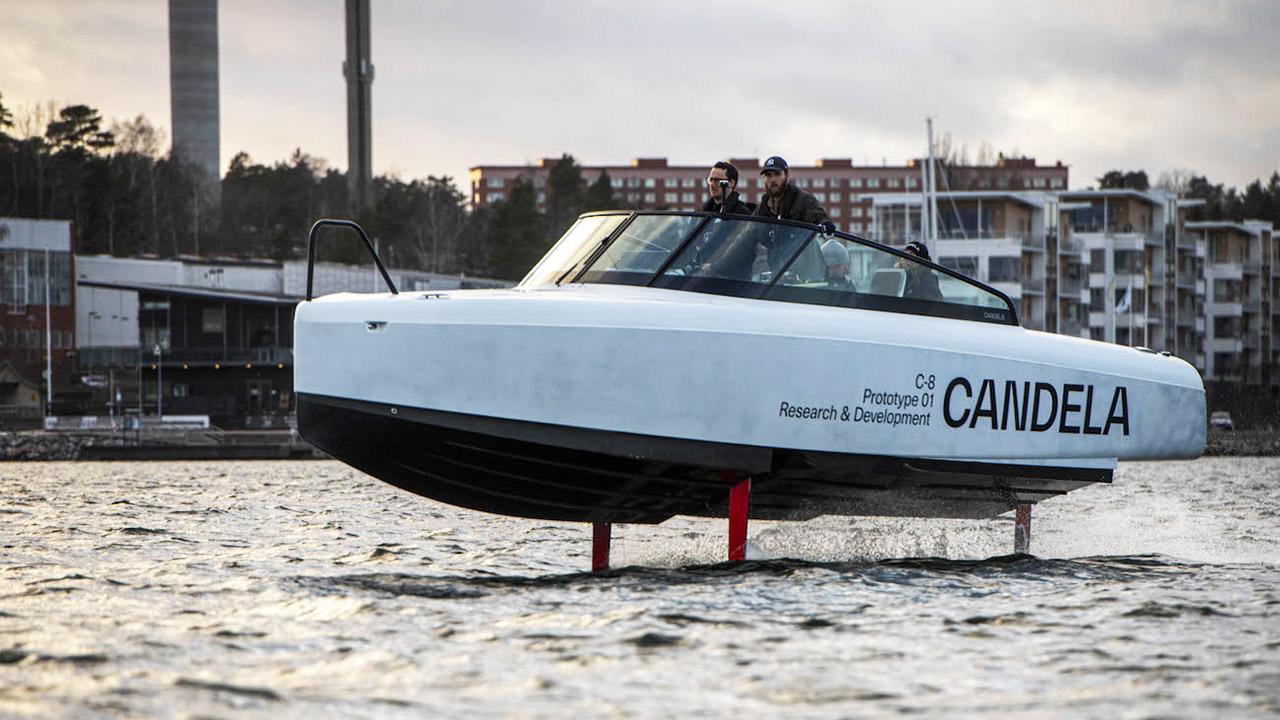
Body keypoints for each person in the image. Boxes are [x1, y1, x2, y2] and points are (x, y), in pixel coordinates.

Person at [753, 156, 835, 233]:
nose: (773, 180)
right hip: (774, 248)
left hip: (801, 248)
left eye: (777, 174)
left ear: (787, 176)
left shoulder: (803, 201)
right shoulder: (763, 206)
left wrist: (825, 224)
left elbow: (819, 217)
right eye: (768, 175)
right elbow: (748, 232)